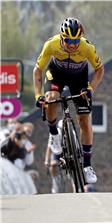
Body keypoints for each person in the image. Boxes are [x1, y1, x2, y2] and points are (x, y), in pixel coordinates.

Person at [33, 17, 105, 184]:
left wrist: (91, 89)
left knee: (85, 121)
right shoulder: (51, 44)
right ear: (62, 37)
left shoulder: (87, 47)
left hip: (79, 79)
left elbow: (99, 69)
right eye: (68, 40)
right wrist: (38, 96)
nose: (72, 44)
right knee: (51, 99)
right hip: (56, 75)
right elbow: (38, 70)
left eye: (75, 40)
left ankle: (87, 166)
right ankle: (54, 134)